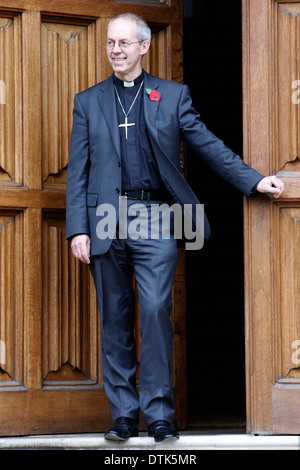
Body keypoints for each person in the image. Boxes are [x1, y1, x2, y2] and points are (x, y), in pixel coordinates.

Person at [66, 12, 284, 442]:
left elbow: (207, 144)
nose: (116, 50)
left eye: (124, 43)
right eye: (111, 43)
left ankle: (160, 415)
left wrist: (254, 179)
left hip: (156, 220)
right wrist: (78, 229)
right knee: (114, 319)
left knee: (154, 313)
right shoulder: (87, 101)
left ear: (144, 47)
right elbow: (78, 172)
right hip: (104, 222)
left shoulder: (172, 95)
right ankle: (125, 416)